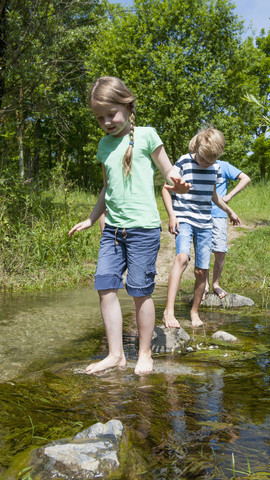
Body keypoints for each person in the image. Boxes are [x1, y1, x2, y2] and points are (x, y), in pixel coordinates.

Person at [68, 76, 191, 375]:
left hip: (143, 230)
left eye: (111, 114)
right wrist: (92, 218)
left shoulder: (147, 135)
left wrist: (178, 182)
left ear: (127, 105)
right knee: (105, 287)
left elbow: (168, 169)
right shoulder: (104, 145)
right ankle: (116, 355)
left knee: (139, 291)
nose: (107, 122)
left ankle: (145, 354)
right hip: (112, 229)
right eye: (100, 118)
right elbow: (106, 188)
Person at [162, 127, 241, 329]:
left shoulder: (216, 168)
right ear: (196, 147)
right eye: (204, 159)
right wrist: (172, 215)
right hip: (184, 218)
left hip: (205, 223)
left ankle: (194, 312)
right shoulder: (184, 161)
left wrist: (229, 211)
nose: (206, 164)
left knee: (201, 271)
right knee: (182, 258)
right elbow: (165, 188)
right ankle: (168, 311)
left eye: (211, 161)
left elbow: (213, 195)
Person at [202, 159, 251, 300]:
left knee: (220, 250)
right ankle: (204, 285)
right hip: (200, 214)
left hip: (218, 214)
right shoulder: (198, 162)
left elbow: (245, 178)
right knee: (203, 251)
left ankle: (215, 284)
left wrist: (229, 196)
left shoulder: (223, 165)